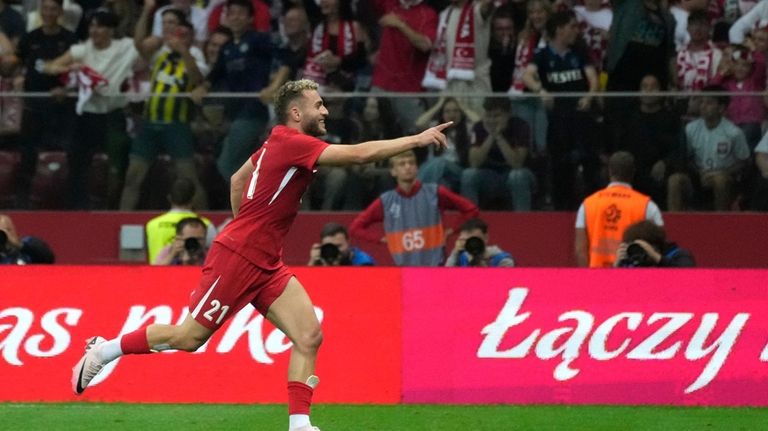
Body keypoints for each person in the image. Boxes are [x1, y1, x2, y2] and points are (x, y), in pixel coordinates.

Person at [71, 79, 453, 431]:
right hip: (239, 257)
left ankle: (300, 425)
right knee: (189, 338)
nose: (325, 112)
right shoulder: (294, 143)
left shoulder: (277, 141)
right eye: (318, 105)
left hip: (265, 261)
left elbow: (239, 179)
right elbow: (357, 156)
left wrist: (251, 227)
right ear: (296, 113)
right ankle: (103, 351)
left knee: (309, 335)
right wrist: (415, 140)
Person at [119, 4, 208, 211]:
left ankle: (205, 218)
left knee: (188, 177)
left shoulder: (195, 53)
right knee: (133, 176)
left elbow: (196, 78)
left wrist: (184, 51)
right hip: (150, 122)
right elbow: (139, 44)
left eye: (179, 30)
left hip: (177, 124)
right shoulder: (160, 51)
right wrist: (146, 11)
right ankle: (121, 217)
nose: (173, 33)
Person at [523, 10, 601, 210]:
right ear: (559, 29)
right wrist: (540, 90)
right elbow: (527, 76)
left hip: (582, 120)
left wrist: (589, 96)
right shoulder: (542, 55)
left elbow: (593, 79)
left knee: (589, 165)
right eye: (572, 26)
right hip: (557, 122)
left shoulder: (580, 52)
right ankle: (560, 209)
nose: (576, 31)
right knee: (559, 169)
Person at [349, 150, 479, 266]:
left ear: (417, 168)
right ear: (393, 171)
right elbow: (355, 228)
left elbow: (471, 210)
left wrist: (452, 230)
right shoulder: (386, 202)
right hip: (404, 270)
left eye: (411, 163)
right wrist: (382, 238)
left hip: (435, 267)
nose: (408, 167)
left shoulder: (434, 192)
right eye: (402, 164)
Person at [12, 0, 78, 208]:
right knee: (28, 156)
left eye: (53, 9)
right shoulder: (31, 38)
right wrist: (17, 78)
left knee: (64, 156)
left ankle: (63, 201)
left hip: (61, 110)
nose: (48, 13)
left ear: (60, 11)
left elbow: (79, 72)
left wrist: (65, 90)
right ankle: (23, 202)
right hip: (33, 108)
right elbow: (17, 63)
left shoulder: (70, 40)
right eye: (45, 9)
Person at [667, 86, 751, 211]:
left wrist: (723, 172)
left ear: (721, 108)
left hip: (725, 178)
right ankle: (673, 225)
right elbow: (687, 158)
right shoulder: (690, 128)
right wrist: (699, 172)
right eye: (701, 102)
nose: (703, 106)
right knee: (675, 180)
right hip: (698, 177)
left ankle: (721, 224)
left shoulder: (734, 132)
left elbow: (744, 161)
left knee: (720, 180)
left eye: (709, 103)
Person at [574, 151, 664, 268]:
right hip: (632, 278)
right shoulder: (648, 206)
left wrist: (588, 279)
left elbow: (580, 250)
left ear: (609, 171)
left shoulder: (587, 204)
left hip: (597, 278)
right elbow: (660, 247)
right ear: (633, 172)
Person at [461, 96, 535, 211]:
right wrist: (491, 136)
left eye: (497, 116)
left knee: (517, 176)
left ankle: (522, 221)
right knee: (468, 175)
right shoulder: (479, 127)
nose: (492, 120)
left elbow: (516, 163)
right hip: (489, 176)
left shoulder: (521, 126)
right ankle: (471, 221)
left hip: (515, 175)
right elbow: (474, 163)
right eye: (488, 116)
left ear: (508, 114)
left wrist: (499, 137)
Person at [145, 178, 217, 264]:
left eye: (198, 239)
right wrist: (172, 254)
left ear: (169, 198)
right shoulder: (206, 224)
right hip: (162, 269)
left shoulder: (152, 225)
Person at [614, 220, 696, 267]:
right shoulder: (630, 262)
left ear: (655, 246)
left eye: (641, 248)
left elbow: (687, 275)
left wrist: (656, 257)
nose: (638, 253)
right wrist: (616, 266)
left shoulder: (678, 255)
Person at [445, 217, 515, 267]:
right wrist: (455, 252)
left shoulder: (502, 260)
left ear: (486, 238)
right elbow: (447, 277)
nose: (472, 245)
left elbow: (502, 284)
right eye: (466, 240)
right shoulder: (462, 258)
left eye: (475, 240)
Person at [307, 222, 374, 266]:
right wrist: (312, 262)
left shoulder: (364, 261)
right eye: (329, 246)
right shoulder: (321, 258)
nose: (334, 250)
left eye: (338, 246)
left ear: (348, 242)